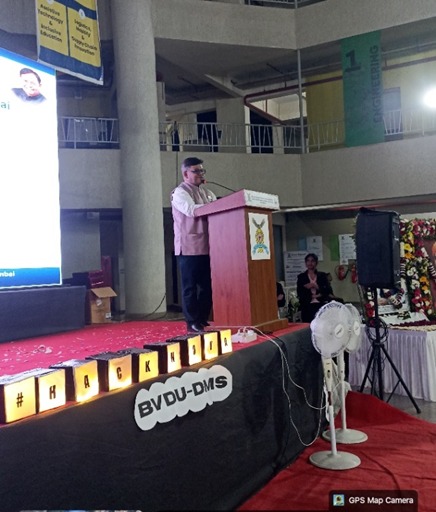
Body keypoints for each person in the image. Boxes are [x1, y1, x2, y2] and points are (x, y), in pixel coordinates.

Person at [171, 157, 217, 333]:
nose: (200, 174)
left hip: (208, 246)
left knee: (208, 286)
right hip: (188, 247)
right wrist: (213, 206)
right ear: (185, 174)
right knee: (190, 288)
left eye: (202, 171)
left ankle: (202, 319)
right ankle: (192, 322)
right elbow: (191, 210)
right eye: (196, 171)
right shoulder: (179, 193)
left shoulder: (208, 193)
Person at [296, 253, 336, 323]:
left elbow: (328, 290)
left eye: (312, 261)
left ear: (316, 263)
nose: (310, 263)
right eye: (308, 261)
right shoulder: (301, 277)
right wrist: (310, 295)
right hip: (307, 305)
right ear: (305, 263)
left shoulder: (322, 275)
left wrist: (317, 287)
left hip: (321, 304)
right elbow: (299, 292)